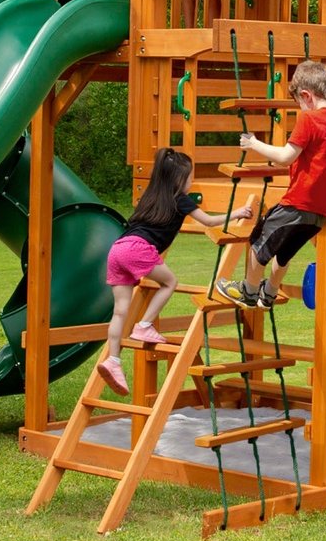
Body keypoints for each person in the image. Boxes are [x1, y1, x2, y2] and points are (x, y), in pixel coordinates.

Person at [95, 148, 254, 395]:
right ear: (179, 179)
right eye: (190, 177)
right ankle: (144, 325)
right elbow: (209, 221)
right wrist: (239, 213)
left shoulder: (151, 197)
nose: (191, 181)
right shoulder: (180, 199)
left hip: (118, 249)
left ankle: (113, 360)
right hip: (138, 248)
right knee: (170, 282)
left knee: (120, 311)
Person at [217, 60, 326, 310]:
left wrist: (253, 144)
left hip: (299, 202)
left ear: (307, 96)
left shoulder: (309, 119)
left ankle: (248, 291)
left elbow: (286, 156)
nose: (300, 107)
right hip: (321, 211)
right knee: (284, 251)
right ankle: (269, 293)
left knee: (259, 239)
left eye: (299, 102)